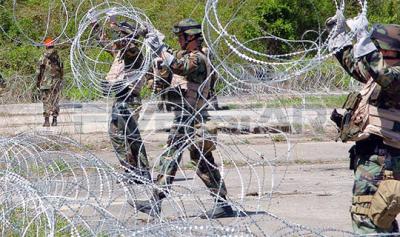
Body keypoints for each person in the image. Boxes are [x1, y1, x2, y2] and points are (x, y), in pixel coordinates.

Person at [132, 18, 233, 219]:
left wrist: (159, 47)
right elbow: (171, 56)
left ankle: (158, 201)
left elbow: (179, 66)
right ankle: (220, 203)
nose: (178, 41)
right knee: (191, 157)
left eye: (181, 37)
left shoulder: (199, 58)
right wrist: (151, 36)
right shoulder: (189, 54)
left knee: (185, 156)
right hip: (187, 115)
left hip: (194, 116)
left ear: (190, 37)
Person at [327, 11, 400, 234]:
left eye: (378, 47)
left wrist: (364, 40)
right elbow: (353, 62)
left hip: (385, 159)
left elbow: (385, 76)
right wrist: (336, 33)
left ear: (388, 51)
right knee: (378, 218)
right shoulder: (376, 72)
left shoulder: (392, 75)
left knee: (368, 216)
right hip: (375, 157)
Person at [91, 13, 151, 184]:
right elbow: (103, 41)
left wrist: (118, 26)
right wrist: (94, 24)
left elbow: (129, 45)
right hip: (120, 99)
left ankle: (143, 171)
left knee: (130, 135)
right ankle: (130, 169)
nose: (116, 39)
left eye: (119, 36)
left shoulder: (133, 53)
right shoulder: (119, 53)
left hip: (131, 99)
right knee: (116, 134)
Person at [35, 37, 63, 127]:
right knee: (55, 101)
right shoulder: (58, 57)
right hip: (56, 83)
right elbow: (62, 70)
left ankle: (47, 121)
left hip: (45, 83)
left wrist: (38, 82)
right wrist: (60, 80)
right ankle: (54, 120)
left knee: (46, 101)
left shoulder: (43, 57)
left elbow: (38, 71)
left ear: (46, 46)